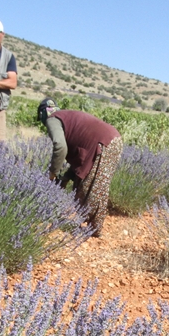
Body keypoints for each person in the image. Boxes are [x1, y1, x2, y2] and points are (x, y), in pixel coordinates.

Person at [38, 98, 123, 237]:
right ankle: (91, 226)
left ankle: (94, 230)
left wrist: (53, 173)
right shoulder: (66, 116)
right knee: (83, 184)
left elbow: (59, 146)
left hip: (104, 143)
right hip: (112, 140)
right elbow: (79, 157)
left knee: (94, 188)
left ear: (43, 113)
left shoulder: (53, 119)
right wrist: (65, 177)